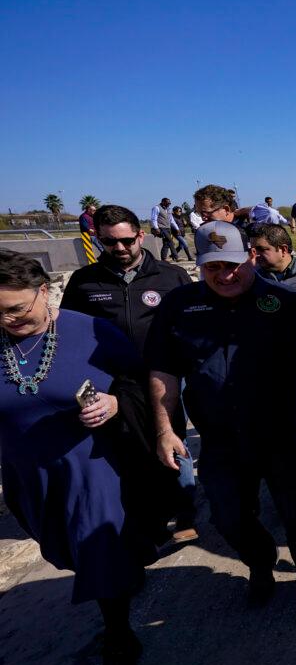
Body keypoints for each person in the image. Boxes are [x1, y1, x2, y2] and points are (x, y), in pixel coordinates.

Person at [146, 221, 296, 624]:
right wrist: (164, 429)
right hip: (221, 438)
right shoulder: (179, 307)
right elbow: (164, 373)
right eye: (213, 268)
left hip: (283, 435)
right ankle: (261, 564)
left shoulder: (284, 301)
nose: (225, 275)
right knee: (228, 516)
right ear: (199, 265)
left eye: (232, 265)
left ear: (249, 256)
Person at [0, 250, 151, 665]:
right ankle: (123, 580)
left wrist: (117, 403)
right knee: (65, 549)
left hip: (92, 466)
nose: (8, 320)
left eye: (16, 309)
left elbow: (139, 381)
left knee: (97, 548)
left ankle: (120, 638)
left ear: (44, 292)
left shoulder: (91, 331)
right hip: (27, 472)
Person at [60, 204, 198, 544]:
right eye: (109, 243)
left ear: (141, 235)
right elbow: (68, 333)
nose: (119, 249)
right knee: (129, 448)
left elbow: (192, 324)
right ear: (99, 240)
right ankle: (148, 516)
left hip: (165, 376)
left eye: (126, 241)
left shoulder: (170, 276)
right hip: (114, 383)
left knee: (171, 438)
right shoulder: (84, 282)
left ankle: (183, 508)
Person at [249, 222, 296, 294]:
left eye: (261, 249)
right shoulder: (250, 277)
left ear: (283, 249)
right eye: (252, 250)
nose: (254, 254)